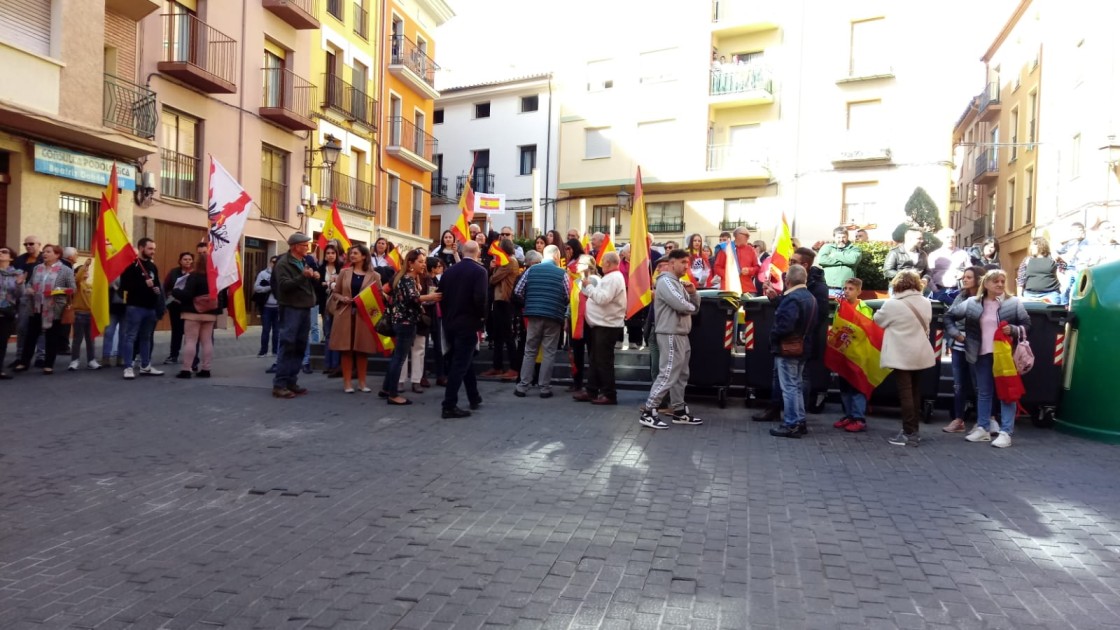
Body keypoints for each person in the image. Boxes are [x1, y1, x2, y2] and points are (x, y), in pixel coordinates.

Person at [945, 269, 1029, 448]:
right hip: (980, 354)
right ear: (986, 284)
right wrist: (956, 335)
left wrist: (1013, 330)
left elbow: (1026, 324)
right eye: (996, 281)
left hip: (1005, 356)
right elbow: (949, 316)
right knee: (984, 392)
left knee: (1007, 394)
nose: (1000, 284)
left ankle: (1006, 432)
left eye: (1002, 281)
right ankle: (983, 428)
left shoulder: (1013, 303)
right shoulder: (972, 303)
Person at [638, 249, 702, 430]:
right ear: (672, 263)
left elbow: (693, 308)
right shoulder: (665, 281)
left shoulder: (679, 283)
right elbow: (680, 305)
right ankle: (649, 411)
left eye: (687, 263)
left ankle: (679, 411)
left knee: (682, 374)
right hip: (670, 333)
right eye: (682, 262)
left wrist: (693, 293)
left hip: (681, 333)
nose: (686, 266)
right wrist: (689, 304)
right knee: (668, 373)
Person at [874, 270, 936, 447]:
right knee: (915, 392)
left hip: (901, 354)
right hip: (920, 353)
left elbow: (878, 320)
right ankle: (914, 430)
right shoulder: (926, 302)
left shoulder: (892, 304)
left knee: (905, 393)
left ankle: (909, 433)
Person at [382, 249, 441, 405]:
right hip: (405, 323)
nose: (424, 265)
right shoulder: (407, 279)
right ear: (410, 263)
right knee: (399, 358)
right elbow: (412, 299)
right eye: (420, 262)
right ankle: (393, 394)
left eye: (424, 262)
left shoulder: (405, 278)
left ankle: (386, 389)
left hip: (401, 322)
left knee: (397, 356)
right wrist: (430, 297)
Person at [514, 244, 570, 399]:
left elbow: (518, 290)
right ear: (557, 257)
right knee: (549, 352)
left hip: (533, 314)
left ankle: (522, 386)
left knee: (530, 350)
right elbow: (568, 295)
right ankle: (544, 388)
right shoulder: (562, 273)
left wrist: (531, 301)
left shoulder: (531, 270)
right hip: (553, 316)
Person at [767, 264, 817, 438]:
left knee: (788, 387)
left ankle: (791, 424)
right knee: (795, 386)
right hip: (803, 347)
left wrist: (773, 337)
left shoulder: (792, 298)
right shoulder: (809, 297)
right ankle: (800, 421)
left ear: (787, 281)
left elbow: (786, 325)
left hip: (788, 348)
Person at [438, 240, 487, 418]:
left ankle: (474, 396)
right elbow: (480, 298)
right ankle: (449, 405)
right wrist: (481, 318)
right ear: (478, 252)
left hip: (450, 323)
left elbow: (440, 295)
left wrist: (448, 315)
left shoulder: (449, 271)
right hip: (468, 323)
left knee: (464, 361)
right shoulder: (480, 271)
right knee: (460, 364)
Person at [270, 233, 319, 399]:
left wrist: (313, 277)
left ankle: (292, 380)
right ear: (295, 246)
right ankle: (280, 384)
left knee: (299, 345)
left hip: (305, 306)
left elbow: (304, 283)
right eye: (305, 245)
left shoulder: (302, 261)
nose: (307, 248)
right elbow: (284, 285)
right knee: (287, 344)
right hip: (291, 308)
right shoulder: (283, 263)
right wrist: (302, 276)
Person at [326, 245, 380, 393]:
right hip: (345, 315)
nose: (352, 255)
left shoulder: (375, 275)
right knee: (346, 350)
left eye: (356, 253)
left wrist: (365, 300)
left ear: (364, 256)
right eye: (351, 253)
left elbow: (379, 296)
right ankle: (347, 383)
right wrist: (342, 298)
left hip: (364, 317)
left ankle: (362, 383)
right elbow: (335, 293)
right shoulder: (344, 273)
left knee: (362, 350)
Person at [14, 244, 75, 374]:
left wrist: (56, 291)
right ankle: (24, 363)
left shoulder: (65, 270)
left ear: (57, 254)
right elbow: (30, 283)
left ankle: (48, 365)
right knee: (31, 336)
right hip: (36, 306)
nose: (44, 254)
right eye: (44, 252)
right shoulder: (37, 268)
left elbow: (72, 289)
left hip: (54, 308)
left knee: (51, 337)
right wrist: (29, 288)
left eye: (48, 252)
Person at [577, 251, 627, 405]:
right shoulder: (611, 277)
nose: (600, 264)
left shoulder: (613, 278)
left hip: (607, 325)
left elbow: (603, 298)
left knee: (603, 361)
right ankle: (592, 390)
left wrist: (589, 287)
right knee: (595, 359)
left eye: (603, 261)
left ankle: (609, 394)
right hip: (602, 324)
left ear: (608, 263)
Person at [941, 265, 986, 434]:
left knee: (979, 385)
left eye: (968, 277)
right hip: (959, 346)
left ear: (978, 279)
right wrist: (956, 334)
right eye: (964, 277)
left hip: (978, 347)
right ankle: (958, 420)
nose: (964, 279)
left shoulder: (985, 299)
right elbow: (949, 317)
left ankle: (983, 422)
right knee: (958, 384)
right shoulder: (961, 296)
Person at [171, 251, 223, 379]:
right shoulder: (216, 277)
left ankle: (186, 370)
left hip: (192, 313)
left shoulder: (193, 276)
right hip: (210, 314)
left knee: (190, 341)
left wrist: (175, 291)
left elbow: (187, 295)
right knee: (207, 342)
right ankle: (206, 369)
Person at [831, 278, 873, 433]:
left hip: (858, 355)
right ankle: (849, 414)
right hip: (844, 353)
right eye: (845, 288)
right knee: (845, 386)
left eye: (851, 289)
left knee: (857, 386)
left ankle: (859, 418)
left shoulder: (864, 308)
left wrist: (848, 332)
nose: (847, 291)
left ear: (859, 291)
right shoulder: (840, 307)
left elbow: (865, 330)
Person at [118, 238, 163, 379]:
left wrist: (156, 289)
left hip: (150, 308)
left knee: (146, 337)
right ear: (141, 248)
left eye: (154, 249)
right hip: (135, 307)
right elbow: (124, 286)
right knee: (131, 336)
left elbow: (155, 284)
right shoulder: (131, 266)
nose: (153, 252)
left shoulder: (152, 266)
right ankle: (128, 367)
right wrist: (143, 284)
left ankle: (145, 365)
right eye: (150, 249)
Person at [482, 238, 521, 380]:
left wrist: (493, 269)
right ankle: (497, 366)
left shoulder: (509, 262)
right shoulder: (507, 261)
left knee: (507, 336)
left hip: (505, 300)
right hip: (500, 300)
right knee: (498, 335)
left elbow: (493, 279)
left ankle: (514, 368)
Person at [12, 235, 42, 367]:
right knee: (22, 327)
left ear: (38, 244)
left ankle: (41, 357)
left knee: (42, 329)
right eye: (26, 244)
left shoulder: (44, 258)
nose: (28, 246)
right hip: (24, 297)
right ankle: (19, 357)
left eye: (31, 244)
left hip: (42, 297)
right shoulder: (19, 260)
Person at [67, 257, 99, 371]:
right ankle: (74, 360)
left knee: (91, 339)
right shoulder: (77, 285)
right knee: (77, 339)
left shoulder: (90, 286)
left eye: (87, 271)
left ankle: (91, 360)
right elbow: (78, 278)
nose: (86, 272)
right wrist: (85, 265)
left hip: (90, 315)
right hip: (79, 314)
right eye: (84, 271)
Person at [162, 251, 194, 364]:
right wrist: (170, 296)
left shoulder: (195, 273)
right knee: (176, 331)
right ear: (180, 261)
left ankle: (190, 357)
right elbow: (165, 287)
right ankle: (173, 355)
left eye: (190, 259)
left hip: (190, 307)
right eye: (185, 259)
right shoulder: (173, 272)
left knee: (190, 333)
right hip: (175, 306)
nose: (187, 261)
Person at [711, 226, 761, 295]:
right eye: (747, 235)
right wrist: (730, 275)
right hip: (729, 289)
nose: (748, 238)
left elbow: (757, 268)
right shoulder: (726, 248)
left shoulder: (750, 250)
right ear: (737, 235)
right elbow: (717, 267)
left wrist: (749, 270)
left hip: (747, 289)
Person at [0, 245, 25, 378]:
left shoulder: (17, 274)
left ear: (11, 258)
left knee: (2, 342)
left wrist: (20, 284)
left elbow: (20, 295)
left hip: (6, 312)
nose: (0, 253)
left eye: (4, 252)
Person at [318, 244, 343, 377]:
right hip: (326, 306)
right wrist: (326, 284)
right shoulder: (321, 268)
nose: (330, 255)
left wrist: (332, 284)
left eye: (333, 253)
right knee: (328, 334)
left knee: (337, 335)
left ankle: (336, 365)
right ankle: (328, 364)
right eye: (328, 253)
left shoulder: (342, 269)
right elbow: (317, 286)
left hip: (339, 306)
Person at [817, 227, 863, 296]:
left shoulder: (854, 249)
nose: (841, 240)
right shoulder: (827, 247)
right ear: (834, 237)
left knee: (845, 307)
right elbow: (821, 260)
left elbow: (853, 260)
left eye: (844, 237)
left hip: (847, 289)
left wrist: (835, 255)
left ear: (847, 237)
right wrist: (845, 260)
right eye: (838, 237)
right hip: (827, 288)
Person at [1017, 237, 1061, 303]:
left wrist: (1059, 258)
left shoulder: (1052, 258)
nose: (1031, 248)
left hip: (1050, 295)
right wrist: (1019, 296)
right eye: (1031, 245)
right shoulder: (1027, 260)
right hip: (1029, 295)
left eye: (1033, 245)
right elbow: (1021, 279)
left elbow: (1064, 269)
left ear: (1041, 245)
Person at [1056, 222, 1091, 305]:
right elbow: (1058, 250)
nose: (1080, 233)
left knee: (1079, 288)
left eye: (1081, 231)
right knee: (1066, 287)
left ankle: (1079, 305)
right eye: (1077, 231)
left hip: (1081, 268)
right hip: (1070, 268)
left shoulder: (1088, 242)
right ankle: (1064, 305)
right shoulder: (1070, 243)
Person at [425, 257, 447, 386]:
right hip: (428, 315)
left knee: (439, 346)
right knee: (425, 347)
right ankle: (423, 375)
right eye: (439, 266)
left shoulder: (436, 280)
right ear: (432, 268)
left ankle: (440, 375)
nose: (441, 268)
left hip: (437, 315)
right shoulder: (426, 280)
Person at [928, 228, 971, 293]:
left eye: (953, 237)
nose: (950, 239)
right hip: (939, 289)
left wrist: (964, 273)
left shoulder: (963, 254)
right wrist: (935, 290)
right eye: (947, 237)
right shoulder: (934, 255)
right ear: (942, 239)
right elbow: (928, 274)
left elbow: (971, 271)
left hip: (958, 290)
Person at [255, 257, 280, 359]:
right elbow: (256, 287)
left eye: (277, 262)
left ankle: (275, 351)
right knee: (265, 330)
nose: (275, 264)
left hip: (278, 307)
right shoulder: (263, 274)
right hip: (266, 307)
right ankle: (263, 351)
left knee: (277, 330)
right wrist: (269, 287)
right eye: (273, 262)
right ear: (270, 263)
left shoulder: (281, 275)